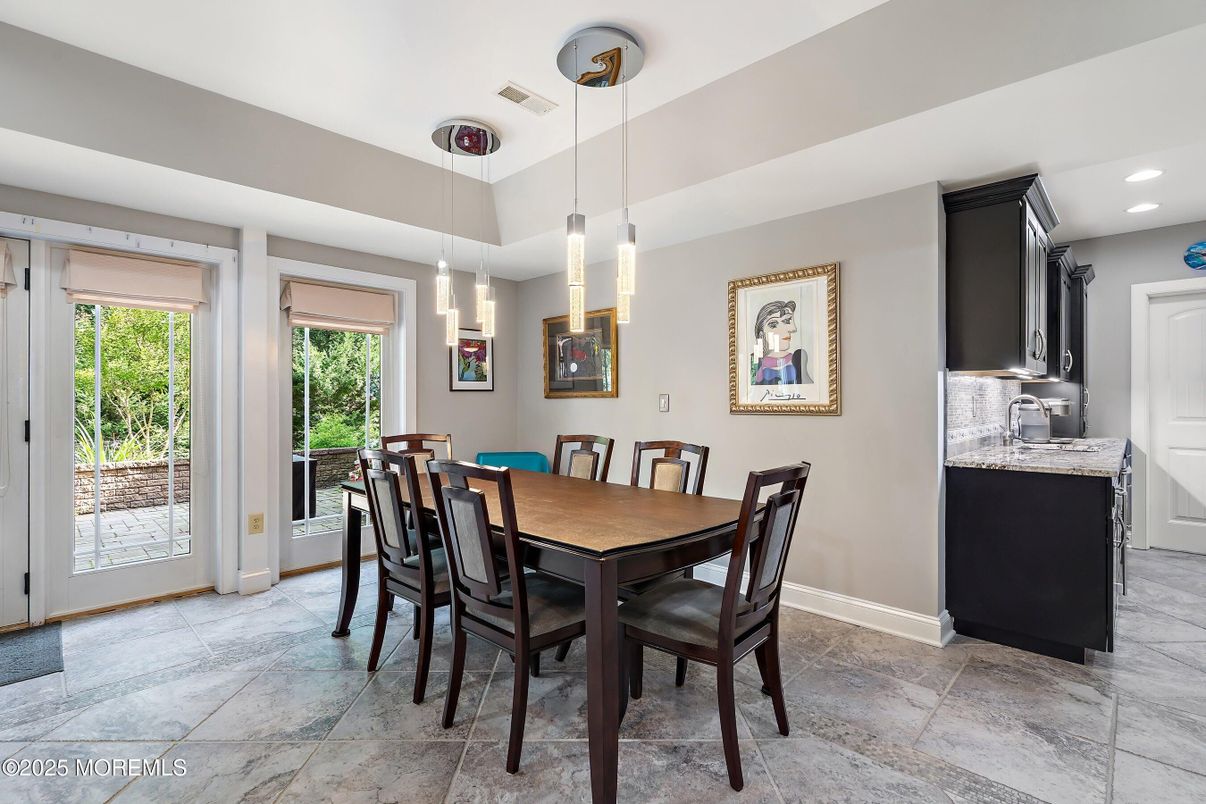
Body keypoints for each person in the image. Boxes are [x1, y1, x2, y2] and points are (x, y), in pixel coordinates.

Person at [752, 300, 813, 385]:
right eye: (773, 325)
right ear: (761, 334)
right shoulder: (755, 362)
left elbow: (810, 391)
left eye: (787, 321)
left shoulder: (798, 358)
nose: (792, 329)